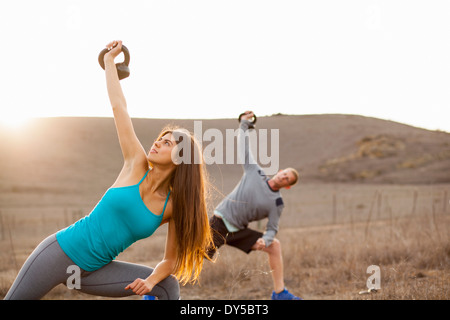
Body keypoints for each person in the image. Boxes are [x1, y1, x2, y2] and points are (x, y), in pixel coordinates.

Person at [4, 40, 214, 300]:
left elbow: (170, 261)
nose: (158, 142)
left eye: (167, 142)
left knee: (167, 286)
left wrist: (150, 282)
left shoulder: (172, 206)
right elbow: (119, 108)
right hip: (58, 254)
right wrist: (109, 64)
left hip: (92, 272)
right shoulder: (136, 164)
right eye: (161, 137)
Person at [207, 111, 301, 300]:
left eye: (287, 179)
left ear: (287, 186)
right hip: (219, 222)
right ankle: (157, 288)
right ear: (280, 171)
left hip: (238, 231)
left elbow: (272, 228)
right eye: (285, 173)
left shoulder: (277, 203)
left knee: (274, 245)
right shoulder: (254, 172)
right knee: (191, 256)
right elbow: (243, 148)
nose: (283, 177)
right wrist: (244, 124)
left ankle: (280, 293)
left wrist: (265, 240)